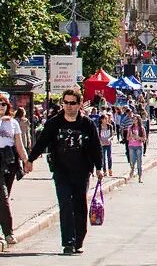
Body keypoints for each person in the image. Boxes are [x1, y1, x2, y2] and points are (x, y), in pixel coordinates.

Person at [27, 87, 104, 256]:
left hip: (82, 171)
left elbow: (95, 147)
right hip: (61, 171)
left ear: (79, 104)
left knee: (79, 205)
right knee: (65, 204)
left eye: (72, 103)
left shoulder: (87, 124)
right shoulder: (55, 122)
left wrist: (99, 167)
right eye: (66, 103)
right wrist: (30, 159)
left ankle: (78, 241)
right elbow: (42, 141)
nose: (68, 106)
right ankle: (68, 242)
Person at [1, 92, 33, 248]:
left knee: (5, 196)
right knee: (3, 197)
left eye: (3, 104)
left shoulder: (13, 123)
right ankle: (8, 232)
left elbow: (19, 144)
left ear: (8, 106)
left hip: (9, 161)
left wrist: (27, 160)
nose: (1, 107)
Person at [126, 117, 145, 183]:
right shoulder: (130, 128)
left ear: (138, 120)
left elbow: (144, 139)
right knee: (132, 161)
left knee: (139, 163)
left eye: (136, 119)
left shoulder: (141, 128)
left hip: (139, 146)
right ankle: (132, 169)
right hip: (131, 146)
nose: (134, 121)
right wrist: (131, 137)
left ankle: (140, 177)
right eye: (133, 119)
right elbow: (127, 138)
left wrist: (138, 137)